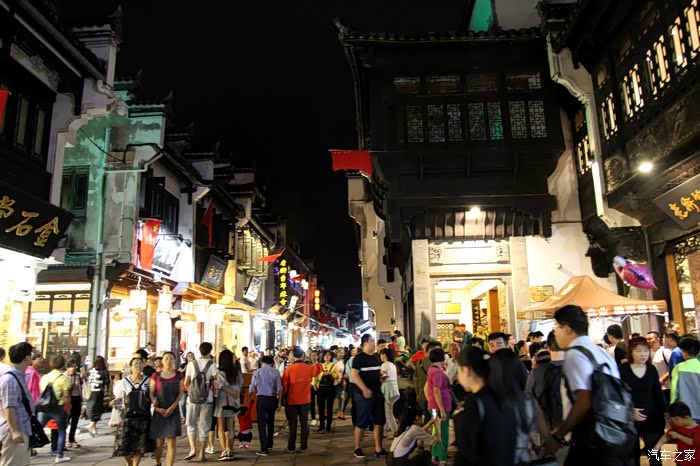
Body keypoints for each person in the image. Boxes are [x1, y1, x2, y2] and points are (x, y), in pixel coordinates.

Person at [547, 304, 627, 465]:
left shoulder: (576, 354)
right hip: (612, 433)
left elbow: (583, 401)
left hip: (588, 439)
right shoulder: (602, 353)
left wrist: (559, 435)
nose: (555, 333)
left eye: (556, 327)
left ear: (567, 329)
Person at [619, 336, 666, 466]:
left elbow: (657, 393)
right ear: (631, 352)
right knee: (632, 455)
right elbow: (619, 394)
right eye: (638, 351)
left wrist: (666, 413)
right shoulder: (623, 370)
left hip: (652, 417)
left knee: (654, 454)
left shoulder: (651, 369)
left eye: (645, 350)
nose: (643, 354)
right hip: (630, 419)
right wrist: (629, 410)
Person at [351, 334, 387, 459]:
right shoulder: (359, 358)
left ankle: (378, 448)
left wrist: (381, 376)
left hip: (377, 392)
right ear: (365, 344)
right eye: (372, 341)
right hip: (363, 395)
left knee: (379, 421)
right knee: (362, 421)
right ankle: (357, 447)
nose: (374, 343)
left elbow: (376, 372)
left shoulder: (376, 357)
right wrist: (364, 389)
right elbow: (354, 374)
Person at [112, 357, 152, 466]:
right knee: (124, 444)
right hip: (127, 417)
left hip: (143, 417)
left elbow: (152, 396)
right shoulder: (123, 382)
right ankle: (129, 463)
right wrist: (115, 402)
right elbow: (119, 397)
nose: (138, 366)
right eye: (135, 364)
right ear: (130, 367)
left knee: (139, 445)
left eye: (140, 364)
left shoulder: (148, 381)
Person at [0, 342, 35, 466]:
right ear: (26, 358)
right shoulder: (10, 379)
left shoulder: (18, 375)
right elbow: (9, 407)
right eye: (30, 355)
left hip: (22, 428)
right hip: (14, 431)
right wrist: (14, 431)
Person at [282, 346, 321, 453]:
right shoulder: (308, 368)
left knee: (293, 424)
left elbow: (284, 385)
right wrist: (316, 362)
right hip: (305, 400)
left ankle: (291, 447)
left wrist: (283, 397)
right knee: (304, 424)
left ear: (293, 356)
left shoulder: (289, 369)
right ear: (303, 355)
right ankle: (304, 446)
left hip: (292, 400)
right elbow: (317, 371)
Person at [184, 342, 218, 462]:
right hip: (207, 399)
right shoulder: (212, 365)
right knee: (204, 426)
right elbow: (217, 382)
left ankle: (192, 449)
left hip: (192, 400)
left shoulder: (191, 364)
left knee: (191, 424)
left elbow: (186, 383)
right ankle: (202, 454)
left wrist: (193, 393)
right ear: (210, 351)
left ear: (199, 350)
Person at [149, 351, 182, 466]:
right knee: (159, 443)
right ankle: (158, 462)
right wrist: (156, 406)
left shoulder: (179, 375)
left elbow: (180, 394)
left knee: (171, 442)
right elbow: (151, 393)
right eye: (166, 359)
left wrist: (172, 407)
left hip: (173, 410)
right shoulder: (156, 376)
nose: (168, 361)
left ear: (174, 361)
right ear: (162, 361)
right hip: (159, 410)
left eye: (171, 359)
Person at [38, 355, 72, 463]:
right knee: (61, 431)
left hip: (44, 408)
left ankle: (28, 449)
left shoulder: (44, 377)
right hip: (58, 408)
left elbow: (41, 391)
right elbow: (66, 396)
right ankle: (59, 455)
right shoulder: (64, 378)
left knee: (37, 429)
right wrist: (68, 408)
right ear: (63, 365)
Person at [213, 349, 243, 460]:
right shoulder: (236, 371)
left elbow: (219, 385)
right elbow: (241, 383)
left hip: (222, 401)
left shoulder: (219, 372)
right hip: (234, 401)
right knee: (231, 427)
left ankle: (224, 451)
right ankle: (230, 449)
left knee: (221, 428)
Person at [249, 355, 282, 456]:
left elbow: (252, 387)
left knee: (262, 424)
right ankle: (270, 443)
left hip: (262, 399)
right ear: (272, 363)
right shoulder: (276, 372)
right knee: (271, 422)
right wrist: (279, 402)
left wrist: (249, 397)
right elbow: (279, 388)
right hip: (272, 399)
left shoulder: (257, 372)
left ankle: (264, 448)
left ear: (262, 363)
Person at [424, 347, 451, 465]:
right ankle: (442, 459)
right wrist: (442, 410)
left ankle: (434, 456)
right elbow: (437, 391)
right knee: (443, 433)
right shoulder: (437, 372)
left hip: (434, 407)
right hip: (440, 407)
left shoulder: (432, 369)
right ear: (442, 358)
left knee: (436, 431)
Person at [671, 336, 700, 423]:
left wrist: (672, 407)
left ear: (684, 353)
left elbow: (674, 391)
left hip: (685, 414)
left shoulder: (678, 368)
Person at [315, 350, 340, 433]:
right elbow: (316, 376)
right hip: (321, 388)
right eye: (325, 355)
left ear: (331, 356)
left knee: (329, 408)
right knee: (320, 408)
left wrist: (331, 374)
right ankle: (322, 425)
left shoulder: (334, 365)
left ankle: (329, 426)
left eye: (328, 355)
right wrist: (314, 385)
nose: (327, 356)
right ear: (323, 357)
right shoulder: (319, 366)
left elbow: (337, 376)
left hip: (330, 388)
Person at [86, 355, 109, 437]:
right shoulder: (104, 372)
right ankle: (91, 425)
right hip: (99, 392)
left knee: (92, 408)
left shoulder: (90, 370)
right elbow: (107, 382)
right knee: (98, 409)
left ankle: (94, 429)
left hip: (90, 392)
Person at [647, 331, 672, 404]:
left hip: (667, 387)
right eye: (647, 339)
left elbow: (673, 367)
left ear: (658, 339)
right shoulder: (647, 353)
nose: (648, 341)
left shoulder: (665, 352)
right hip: (654, 388)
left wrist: (662, 379)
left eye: (650, 339)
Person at [380, 348, 400, 436]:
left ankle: (395, 430)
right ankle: (385, 429)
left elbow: (384, 375)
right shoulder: (393, 364)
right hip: (394, 388)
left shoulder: (385, 364)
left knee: (388, 410)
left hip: (387, 388)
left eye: (381, 354)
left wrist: (379, 379)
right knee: (388, 409)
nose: (380, 356)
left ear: (384, 355)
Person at [65, 359, 84, 449]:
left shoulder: (78, 375)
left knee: (75, 420)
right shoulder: (64, 376)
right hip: (68, 399)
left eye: (75, 366)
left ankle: (71, 439)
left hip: (77, 399)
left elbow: (82, 385)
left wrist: (84, 378)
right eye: (71, 366)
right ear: (67, 367)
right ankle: (63, 440)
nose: (73, 368)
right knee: (66, 420)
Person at [340, 347, 358, 423]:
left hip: (354, 381)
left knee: (351, 398)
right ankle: (343, 411)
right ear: (350, 352)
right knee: (349, 398)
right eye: (353, 351)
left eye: (355, 351)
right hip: (352, 382)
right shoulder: (350, 361)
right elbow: (348, 371)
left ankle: (344, 411)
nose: (354, 352)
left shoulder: (356, 359)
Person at [178, 352, 194, 422]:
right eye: (188, 356)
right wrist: (185, 368)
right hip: (184, 386)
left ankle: (190, 418)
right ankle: (184, 417)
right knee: (182, 403)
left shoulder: (195, 365)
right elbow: (178, 372)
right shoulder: (183, 365)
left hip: (192, 386)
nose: (190, 357)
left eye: (191, 356)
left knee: (192, 404)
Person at [308, 350, 321, 427]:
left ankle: (321, 418)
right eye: (312, 355)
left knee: (320, 403)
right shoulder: (309, 365)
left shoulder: (320, 365)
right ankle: (313, 418)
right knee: (311, 403)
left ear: (317, 356)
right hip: (310, 386)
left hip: (318, 386)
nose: (313, 357)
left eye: (315, 355)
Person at [334, 348, 346, 419]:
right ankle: (327, 412)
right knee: (330, 398)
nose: (341, 354)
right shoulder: (333, 361)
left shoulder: (344, 361)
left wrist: (344, 380)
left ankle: (340, 412)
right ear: (337, 353)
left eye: (343, 353)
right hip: (333, 381)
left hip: (340, 382)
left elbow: (345, 372)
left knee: (341, 397)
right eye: (340, 353)